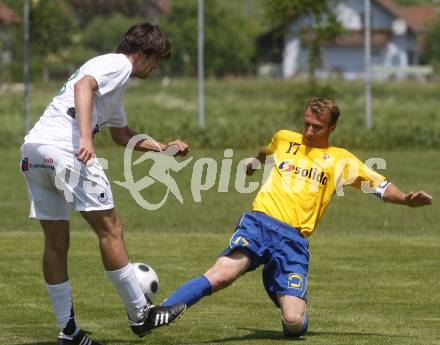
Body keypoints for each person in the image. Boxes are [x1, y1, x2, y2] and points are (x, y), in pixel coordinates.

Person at [161, 97, 432, 338]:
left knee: (293, 321)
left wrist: (406, 200)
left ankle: (275, 279)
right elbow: (267, 150)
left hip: (293, 240)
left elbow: (381, 187)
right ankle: (159, 312)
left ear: (332, 129)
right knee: (222, 275)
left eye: (317, 127)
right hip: (260, 222)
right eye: (306, 124)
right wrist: (254, 162)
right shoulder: (284, 138)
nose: (309, 131)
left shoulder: (342, 161)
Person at [20, 23, 187, 345]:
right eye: (157, 60)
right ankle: (141, 314)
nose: (156, 67)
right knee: (111, 230)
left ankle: (68, 332)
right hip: (66, 151)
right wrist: (85, 137)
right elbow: (84, 86)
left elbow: (121, 135)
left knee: (56, 243)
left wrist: (162, 148)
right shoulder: (118, 64)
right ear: (143, 54)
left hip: (34, 152)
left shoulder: (112, 89)